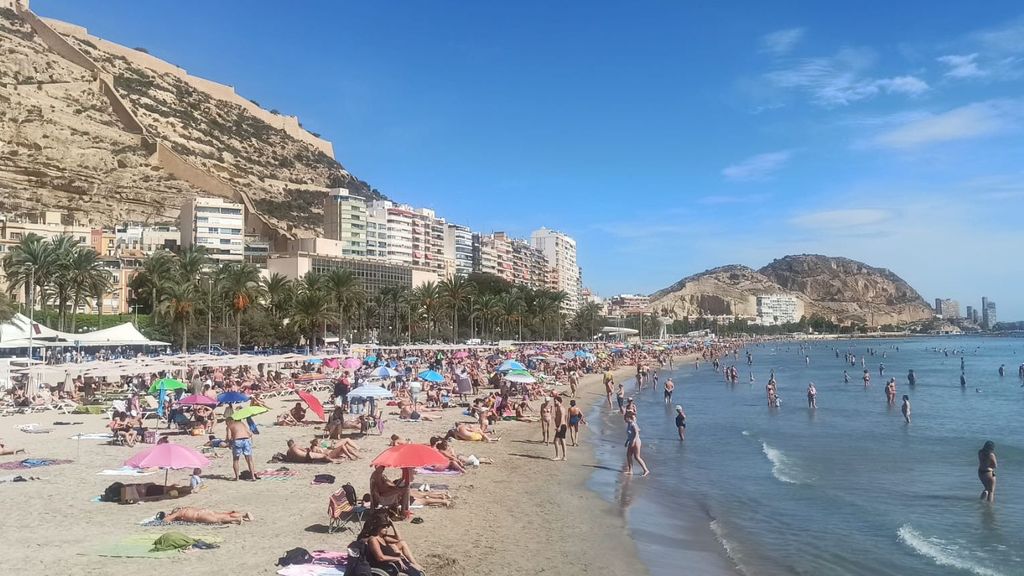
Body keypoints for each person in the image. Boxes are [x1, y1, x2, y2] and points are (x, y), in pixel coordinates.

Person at [360, 512, 425, 576]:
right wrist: (397, 558)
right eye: (384, 526)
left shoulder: (383, 537)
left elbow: (398, 539)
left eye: (387, 526)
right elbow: (380, 557)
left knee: (417, 573)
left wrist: (393, 524)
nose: (387, 528)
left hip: (398, 561)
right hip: (391, 564)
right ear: (378, 527)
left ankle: (413, 565)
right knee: (416, 574)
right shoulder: (373, 539)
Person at [226, 415, 259, 480]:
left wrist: (230, 443)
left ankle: (237, 477)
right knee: (249, 460)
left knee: (236, 460)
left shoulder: (229, 426)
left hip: (237, 441)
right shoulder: (241, 423)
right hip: (246, 440)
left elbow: (229, 438)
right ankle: (253, 477)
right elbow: (250, 433)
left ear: (228, 422)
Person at [160, 506, 253, 525]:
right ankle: (244, 515)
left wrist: (168, 517)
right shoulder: (187, 508)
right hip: (204, 510)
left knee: (217, 520)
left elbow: (166, 520)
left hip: (199, 516)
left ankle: (237, 520)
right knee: (222, 515)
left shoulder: (179, 512)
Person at [552, 395, 567, 461]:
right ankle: (563, 456)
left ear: (558, 401)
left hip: (562, 426)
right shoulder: (558, 408)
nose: (554, 402)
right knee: (561, 441)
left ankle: (559, 456)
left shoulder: (561, 408)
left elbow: (562, 417)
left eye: (555, 401)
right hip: (560, 426)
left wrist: (559, 427)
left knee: (556, 441)